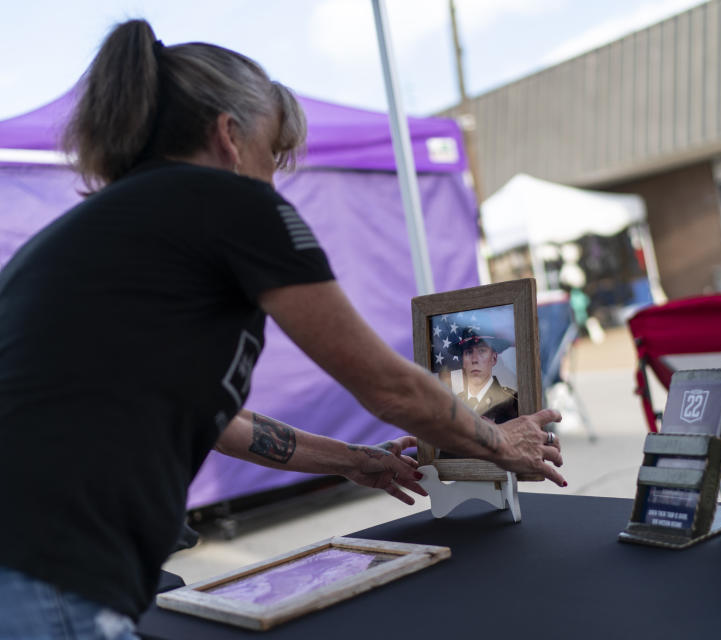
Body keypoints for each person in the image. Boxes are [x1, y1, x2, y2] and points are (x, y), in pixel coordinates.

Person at [0, 19, 564, 639]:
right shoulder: (227, 200)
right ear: (229, 136)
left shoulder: (92, 231)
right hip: (46, 569)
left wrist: (353, 459)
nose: (273, 178)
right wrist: (499, 443)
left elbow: (222, 422)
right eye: (272, 155)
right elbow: (385, 384)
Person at [452, 327, 519, 423]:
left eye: (482, 351)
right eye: (469, 352)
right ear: (463, 361)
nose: (474, 360)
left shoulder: (512, 402)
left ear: (494, 358)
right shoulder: (454, 404)